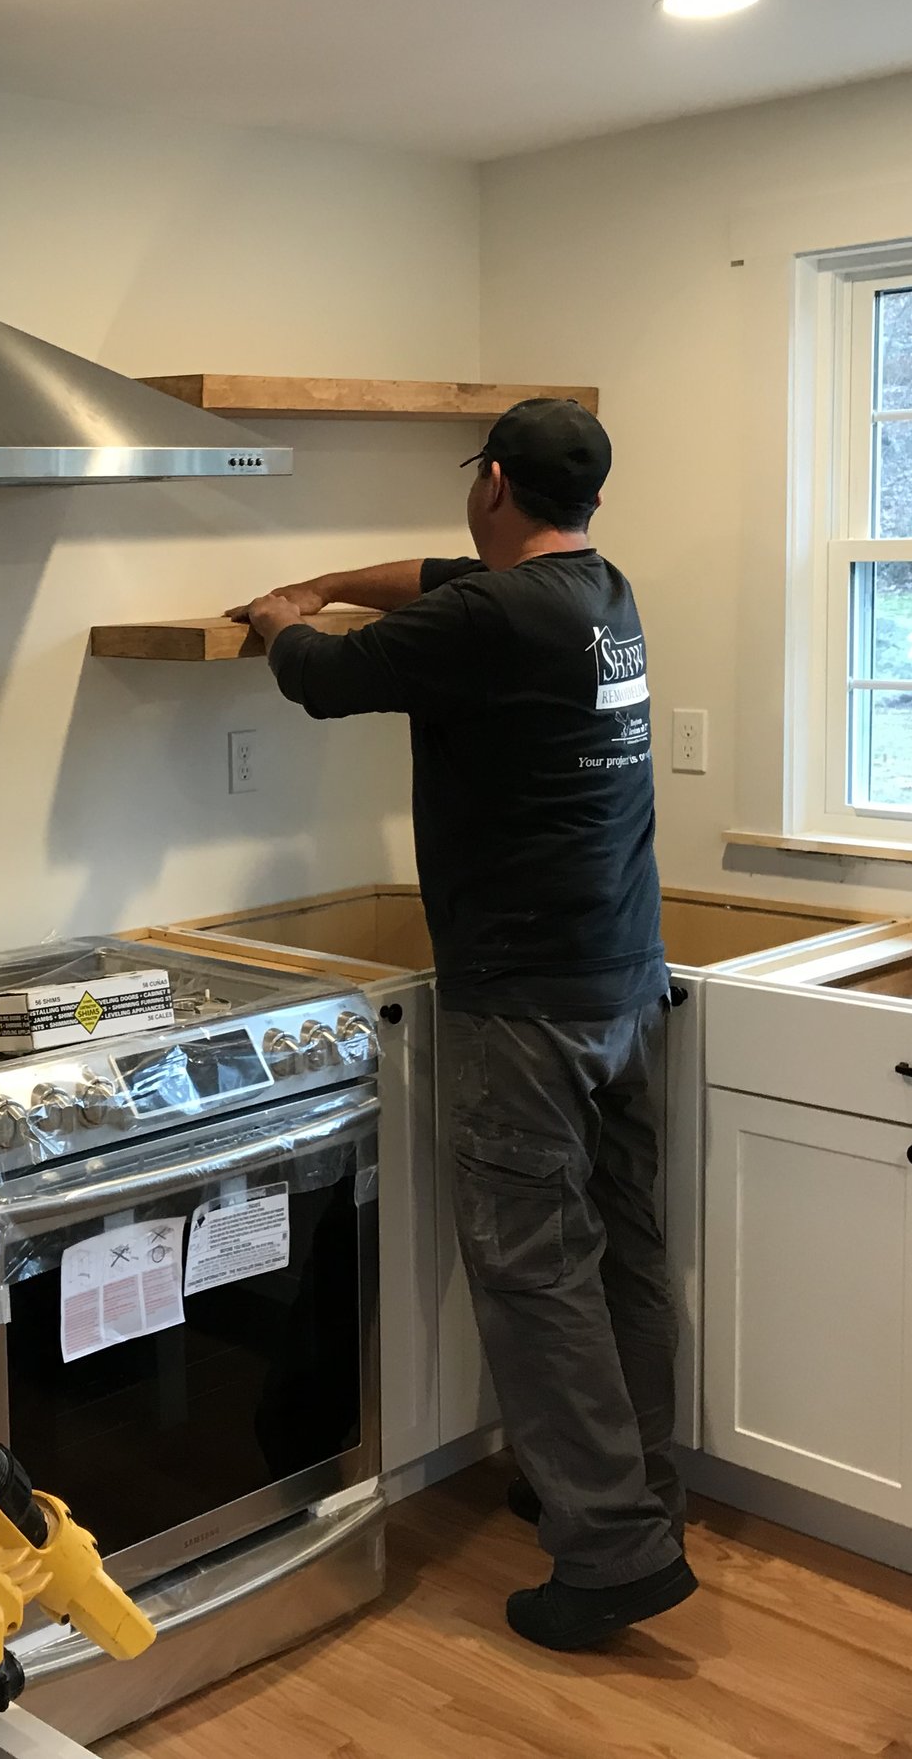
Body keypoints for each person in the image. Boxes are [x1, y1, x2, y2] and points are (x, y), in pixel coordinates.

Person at [226, 398, 688, 1650]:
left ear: (490, 480)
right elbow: (434, 579)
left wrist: (281, 616)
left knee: (535, 1275)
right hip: (623, 984)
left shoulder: (486, 621)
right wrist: (328, 572)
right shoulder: (597, 593)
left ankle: (606, 1553)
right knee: (625, 1254)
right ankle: (632, 1492)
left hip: (524, 1003)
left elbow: (321, 680)